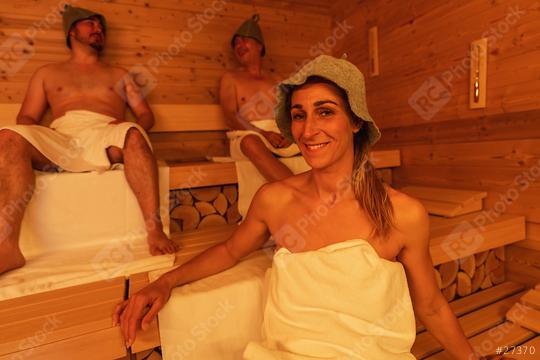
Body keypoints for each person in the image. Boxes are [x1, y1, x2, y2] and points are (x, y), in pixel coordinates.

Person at [113, 55, 493, 359]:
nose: (308, 131)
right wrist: (164, 283)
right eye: (299, 115)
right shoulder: (276, 200)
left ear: (356, 121)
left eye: (325, 112)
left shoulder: (402, 214)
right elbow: (230, 251)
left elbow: (430, 306)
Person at [0, 5, 177, 275]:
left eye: (101, 26)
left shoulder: (119, 74)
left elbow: (145, 115)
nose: (98, 29)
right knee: (8, 135)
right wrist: (40, 142)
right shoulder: (47, 73)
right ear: (72, 31)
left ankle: (154, 231)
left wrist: (132, 126)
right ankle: (7, 247)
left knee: (133, 134)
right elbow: (27, 117)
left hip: (105, 132)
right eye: (90, 24)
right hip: (63, 136)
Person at [219, 14, 298, 182]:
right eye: (236, 43)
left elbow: (292, 112)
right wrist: (264, 134)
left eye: (245, 40)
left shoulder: (278, 79)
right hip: (246, 136)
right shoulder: (230, 78)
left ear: (260, 46)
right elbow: (230, 117)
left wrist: (289, 134)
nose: (239, 46)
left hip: (279, 136)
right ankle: (299, 192)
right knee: (251, 142)